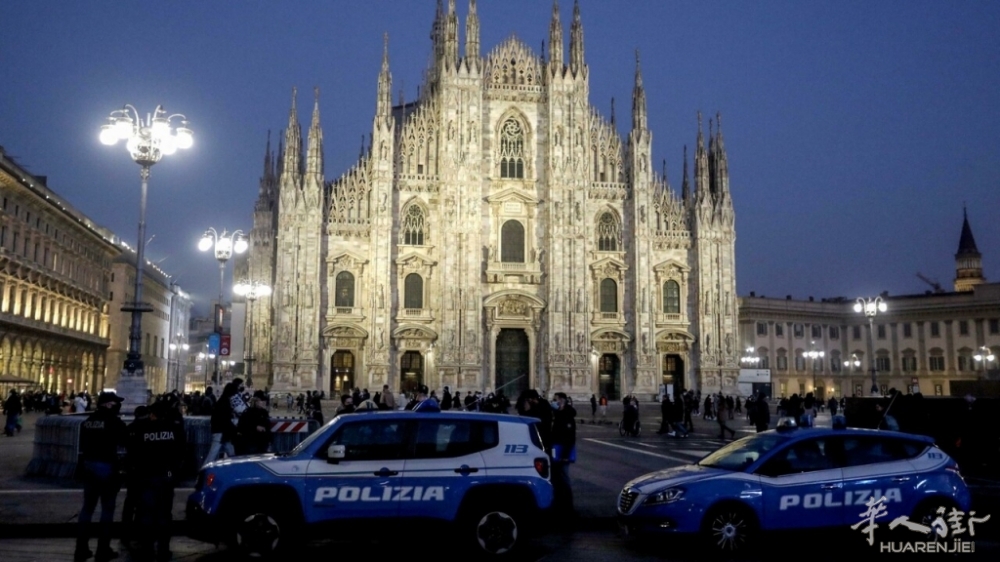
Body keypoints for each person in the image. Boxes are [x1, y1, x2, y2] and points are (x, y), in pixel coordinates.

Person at [128, 400, 186, 561]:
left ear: (153, 414)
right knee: (165, 512)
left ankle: (147, 547)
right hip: (166, 474)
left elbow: (133, 452)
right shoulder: (174, 428)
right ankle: (164, 548)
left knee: (147, 512)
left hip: (147, 474)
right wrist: (173, 472)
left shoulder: (142, 429)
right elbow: (182, 451)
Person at [75, 391, 127, 562]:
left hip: (88, 466)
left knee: (87, 509)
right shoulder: (114, 422)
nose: (117, 406)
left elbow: (81, 448)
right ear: (108, 404)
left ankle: (81, 548)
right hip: (106, 467)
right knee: (107, 509)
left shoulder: (88, 422)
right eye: (115, 403)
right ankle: (102, 548)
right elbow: (125, 443)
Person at [550, 392, 577, 517]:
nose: (554, 402)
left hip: (563, 451)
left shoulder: (567, 415)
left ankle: (568, 507)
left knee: (564, 478)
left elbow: (570, 437)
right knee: (557, 477)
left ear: (562, 400)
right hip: (557, 449)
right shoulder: (558, 414)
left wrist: (565, 455)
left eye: (555, 400)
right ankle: (560, 504)